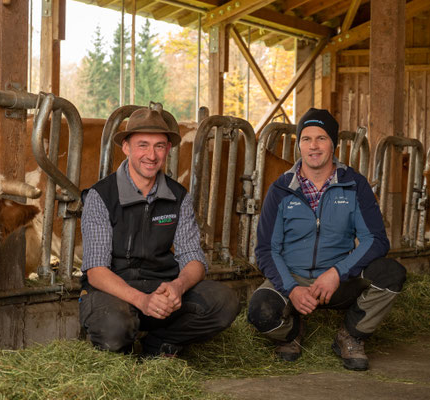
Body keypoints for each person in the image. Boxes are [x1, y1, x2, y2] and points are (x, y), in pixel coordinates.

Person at [248, 108, 406, 371]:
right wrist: (291, 287)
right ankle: (292, 332)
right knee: (260, 312)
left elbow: (376, 239)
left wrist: (338, 272)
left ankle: (350, 335)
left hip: (338, 281)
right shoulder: (281, 189)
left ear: (333, 143)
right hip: (293, 277)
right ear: (298, 144)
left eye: (321, 138)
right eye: (306, 139)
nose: (313, 146)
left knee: (391, 274)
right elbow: (266, 249)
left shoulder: (355, 185)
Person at [79, 104, 240, 357]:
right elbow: (96, 272)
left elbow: (194, 259)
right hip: (114, 290)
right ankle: (123, 344)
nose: (151, 155)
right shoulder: (101, 196)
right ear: (126, 148)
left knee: (225, 301)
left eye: (159, 146)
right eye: (143, 145)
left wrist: (177, 287)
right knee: (114, 329)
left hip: (161, 286)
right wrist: (142, 300)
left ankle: (159, 344)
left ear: (167, 150)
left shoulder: (178, 196)